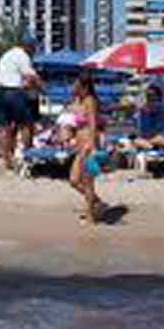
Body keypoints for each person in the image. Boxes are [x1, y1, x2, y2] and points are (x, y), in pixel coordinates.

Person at [62, 75, 109, 225]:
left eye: (76, 85)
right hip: (80, 145)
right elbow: (72, 120)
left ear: (85, 87)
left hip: (89, 143)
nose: (73, 87)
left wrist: (93, 145)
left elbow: (93, 124)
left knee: (88, 181)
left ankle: (90, 216)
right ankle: (98, 203)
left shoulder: (90, 101)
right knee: (74, 180)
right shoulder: (80, 101)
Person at [0, 41, 41, 167]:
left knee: (5, 128)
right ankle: (27, 155)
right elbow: (30, 76)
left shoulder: (6, 55)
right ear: (28, 46)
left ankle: (7, 160)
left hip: (0, 92)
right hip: (14, 92)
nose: (34, 52)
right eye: (33, 49)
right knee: (27, 124)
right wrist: (42, 88)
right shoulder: (23, 56)